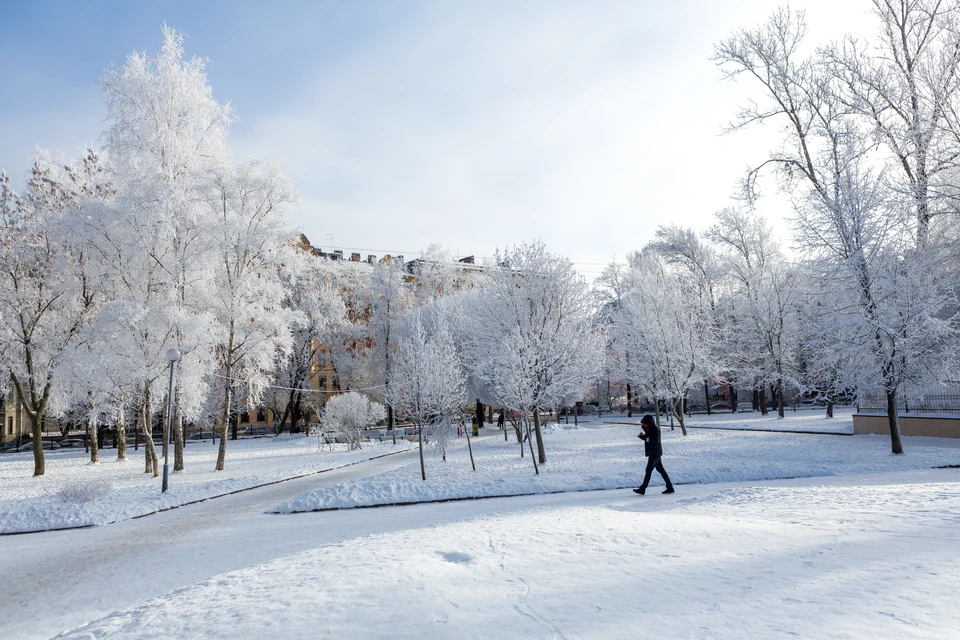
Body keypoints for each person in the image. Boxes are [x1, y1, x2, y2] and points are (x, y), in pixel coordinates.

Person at [634, 414, 674, 495]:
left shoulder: (655, 429)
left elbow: (655, 440)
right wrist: (643, 437)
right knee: (661, 470)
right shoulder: (651, 429)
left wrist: (645, 438)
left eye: (645, 424)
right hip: (655, 452)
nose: (644, 425)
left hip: (655, 453)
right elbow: (648, 437)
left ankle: (643, 488)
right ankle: (670, 487)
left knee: (648, 470)